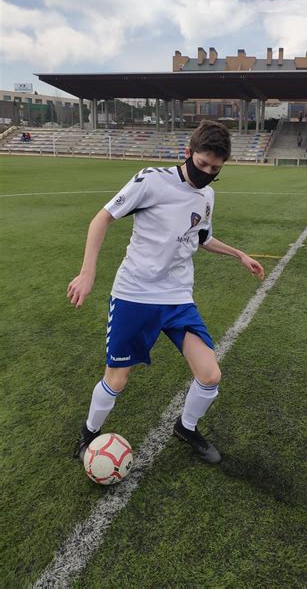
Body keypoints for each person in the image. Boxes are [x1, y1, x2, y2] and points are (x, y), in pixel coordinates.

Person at [67, 121, 265, 465]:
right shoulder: (152, 180)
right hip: (135, 295)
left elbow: (200, 237)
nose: (206, 173)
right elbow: (101, 219)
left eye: (215, 169)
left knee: (210, 374)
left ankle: (186, 428)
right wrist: (88, 271)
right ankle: (88, 435)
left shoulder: (208, 194)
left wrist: (239, 254)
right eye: (202, 164)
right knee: (117, 378)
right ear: (187, 153)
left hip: (177, 298)